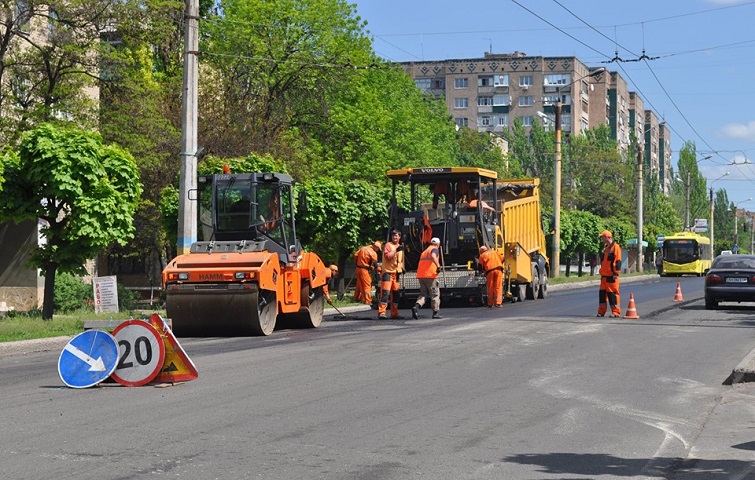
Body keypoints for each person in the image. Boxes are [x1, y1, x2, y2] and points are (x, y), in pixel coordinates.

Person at [412, 237, 442, 319]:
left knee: (423, 294)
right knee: (435, 294)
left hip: (421, 276)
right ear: (437, 244)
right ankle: (435, 313)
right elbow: (433, 256)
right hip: (431, 276)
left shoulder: (425, 251)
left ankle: (416, 307)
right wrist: (438, 266)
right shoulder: (435, 249)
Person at [378, 230, 405, 319]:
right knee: (385, 293)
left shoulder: (400, 248)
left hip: (396, 273)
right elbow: (387, 257)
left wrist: (402, 268)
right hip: (387, 272)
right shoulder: (388, 245)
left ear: (399, 237)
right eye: (393, 236)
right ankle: (382, 312)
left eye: (396, 236)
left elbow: (401, 260)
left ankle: (394, 313)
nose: (395, 237)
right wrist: (396, 250)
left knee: (396, 295)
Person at [597, 230, 622, 317]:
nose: (602, 239)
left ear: (608, 237)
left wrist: (616, 273)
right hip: (604, 276)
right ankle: (601, 311)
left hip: (612, 276)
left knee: (613, 295)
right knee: (602, 295)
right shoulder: (606, 248)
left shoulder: (616, 247)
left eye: (602, 237)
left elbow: (618, 261)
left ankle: (616, 312)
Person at [353, 241, 382, 305]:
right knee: (367, 285)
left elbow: (355, 255)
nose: (378, 251)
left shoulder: (363, 248)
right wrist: (381, 270)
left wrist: (357, 263)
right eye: (378, 249)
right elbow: (375, 265)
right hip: (364, 270)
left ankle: (357, 298)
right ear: (376, 247)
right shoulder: (373, 253)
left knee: (360, 284)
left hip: (358, 269)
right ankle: (368, 301)